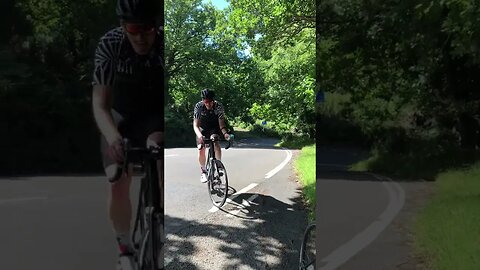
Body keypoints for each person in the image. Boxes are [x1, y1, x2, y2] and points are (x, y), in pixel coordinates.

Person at [91, 0, 164, 268]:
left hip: (154, 113)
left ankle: (162, 220)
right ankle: (124, 245)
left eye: (149, 28)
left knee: (159, 152)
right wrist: (113, 138)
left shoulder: (164, 44)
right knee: (117, 178)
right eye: (134, 28)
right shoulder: (111, 44)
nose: (142, 36)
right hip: (120, 113)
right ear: (123, 26)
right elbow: (100, 104)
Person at [193, 89, 230, 183]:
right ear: (203, 101)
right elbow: (196, 125)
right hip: (202, 128)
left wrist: (225, 133)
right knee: (201, 148)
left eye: (210, 102)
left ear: (213, 100)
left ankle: (218, 165)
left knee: (215, 140)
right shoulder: (199, 106)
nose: (208, 104)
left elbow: (221, 124)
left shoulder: (219, 106)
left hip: (214, 127)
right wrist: (200, 136)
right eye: (206, 102)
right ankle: (203, 171)